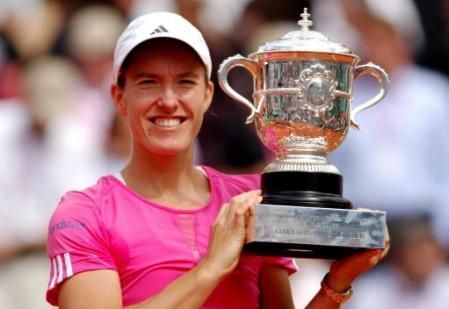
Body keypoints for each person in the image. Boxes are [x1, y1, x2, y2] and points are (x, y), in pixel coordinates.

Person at [45, 11, 388, 308]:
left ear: (207, 94)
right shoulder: (85, 212)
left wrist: (337, 284)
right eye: (148, 82)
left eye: (185, 82)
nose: (168, 100)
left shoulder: (251, 200)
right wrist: (211, 268)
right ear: (120, 98)